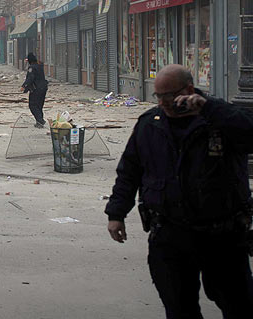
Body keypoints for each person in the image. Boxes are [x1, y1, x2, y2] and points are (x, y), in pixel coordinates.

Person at [105, 64, 253, 319]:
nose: (163, 102)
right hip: (169, 235)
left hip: (222, 236)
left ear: (188, 89)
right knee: (179, 307)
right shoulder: (150, 125)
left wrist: (209, 108)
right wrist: (116, 213)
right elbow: (130, 171)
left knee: (238, 305)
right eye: (158, 96)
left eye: (169, 96)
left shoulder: (218, 120)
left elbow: (249, 133)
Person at [21, 53, 48, 128]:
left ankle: (40, 120)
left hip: (36, 89)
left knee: (32, 105)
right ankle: (39, 121)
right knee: (39, 105)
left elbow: (30, 78)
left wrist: (24, 86)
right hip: (43, 88)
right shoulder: (40, 66)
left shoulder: (32, 68)